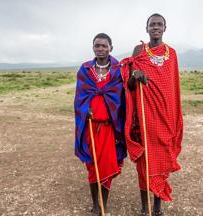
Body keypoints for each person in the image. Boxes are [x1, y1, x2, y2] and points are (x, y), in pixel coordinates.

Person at [120, 13, 183, 216]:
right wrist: (135, 76)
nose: (155, 27)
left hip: (165, 119)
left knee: (162, 163)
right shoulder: (139, 50)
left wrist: (174, 116)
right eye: (152, 24)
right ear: (146, 28)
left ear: (165, 28)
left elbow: (173, 89)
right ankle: (145, 208)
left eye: (159, 24)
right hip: (145, 118)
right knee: (144, 166)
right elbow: (129, 85)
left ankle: (157, 209)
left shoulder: (171, 54)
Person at [74, 33, 127, 215]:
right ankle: (95, 206)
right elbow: (79, 98)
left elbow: (123, 98)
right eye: (97, 46)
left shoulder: (118, 71)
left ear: (111, 48)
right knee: (92, 166)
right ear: (93, 47)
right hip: (90, 127)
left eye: (104, 46)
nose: (100, 49)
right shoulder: (85, 70)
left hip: (110, 128)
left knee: (106, 166)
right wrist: (84, 110)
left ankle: (103, 205)